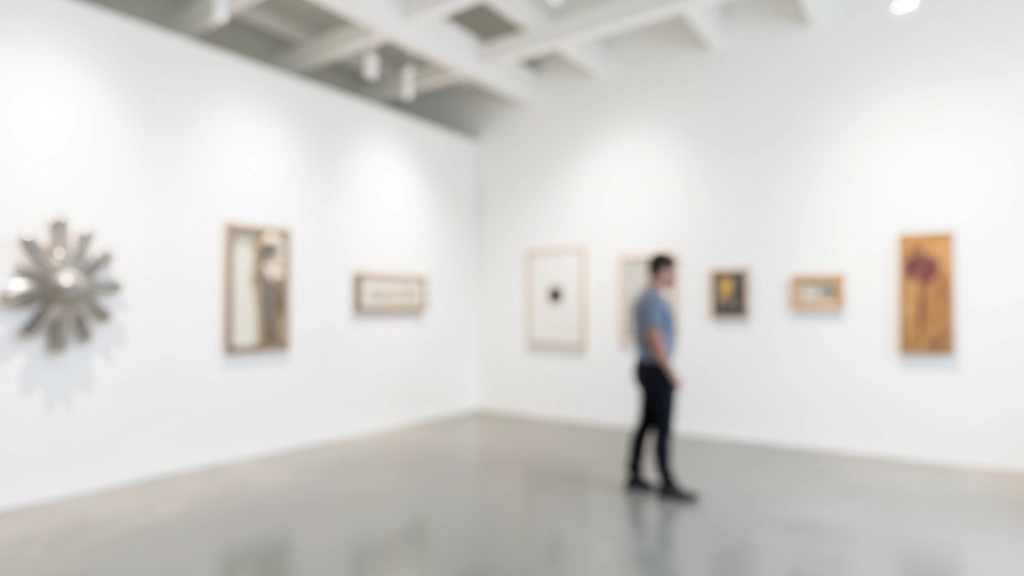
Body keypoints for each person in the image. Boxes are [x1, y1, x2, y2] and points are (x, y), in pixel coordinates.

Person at [627, 255, 698, 503]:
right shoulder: (653, 300)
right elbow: (654, 335)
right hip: (656, 370)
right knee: (663, 428)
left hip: (649, 368)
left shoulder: (645, 298)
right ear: (663, 271)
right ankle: (667, 482)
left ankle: (634, 475)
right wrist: (670, 372)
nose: (675, 276)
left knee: (646, 424)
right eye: (673, 271)